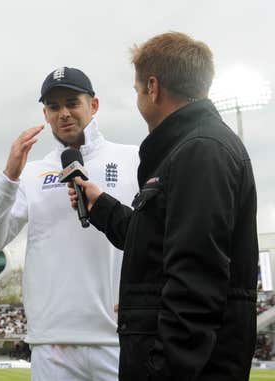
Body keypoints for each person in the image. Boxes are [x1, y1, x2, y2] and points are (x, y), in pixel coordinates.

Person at [68, 32, 258, 380]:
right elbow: (158, 243)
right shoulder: (186, 149)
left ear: (152, 87)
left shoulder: (200, 150)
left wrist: (161, 370)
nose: (138, 96)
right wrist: (101, 207)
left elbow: (195, 281)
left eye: (137, 89)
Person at [0, 67, 139, 381]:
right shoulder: (32, 174)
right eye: (53, 106)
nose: (63, 113)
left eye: (72, 102)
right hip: (52, 344)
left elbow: (155, 237)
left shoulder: (133, 158)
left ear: (94, 105)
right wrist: (8, 177)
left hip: (118, 338)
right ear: (46, 114)